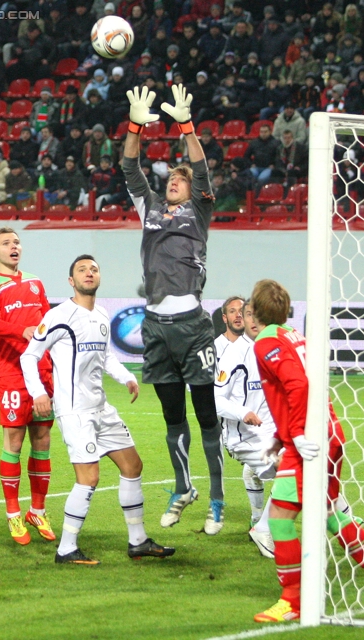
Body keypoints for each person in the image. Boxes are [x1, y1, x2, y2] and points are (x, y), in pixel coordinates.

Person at [20, 254, 175, 564]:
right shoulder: (59, 315)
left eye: (93, 269)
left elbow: (105, 358)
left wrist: (127, 377)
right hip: (75, 411)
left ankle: (138, 541)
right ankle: (66, 549)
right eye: (81, 269)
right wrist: (38, 392)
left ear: (99, 277)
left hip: (102, 408)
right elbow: (29, 356)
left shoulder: (102, 316)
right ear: (71, 281)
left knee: (132, 466)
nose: (88, 273)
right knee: (88, 478)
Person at [123, 84, 224, 533]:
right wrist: (135, 125)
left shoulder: (198, 213)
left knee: (205, 416)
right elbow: (129, 166)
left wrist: (186, 126)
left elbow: (201, 170)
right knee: (171, 416)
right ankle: (184, 488)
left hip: (192, 326)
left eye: (179, 180)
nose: (173, 183)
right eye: (171, 180)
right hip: (155, 328)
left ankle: (217, 498)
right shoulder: (149, 209)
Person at [251, 279, 364, 623]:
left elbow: (297, 384)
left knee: (279, 519)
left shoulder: (266, 341)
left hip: (309, 441)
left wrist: (296, 434)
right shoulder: (295, 336)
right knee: (327, 510)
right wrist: (282, 436)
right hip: (329, 431)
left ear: (254, 313)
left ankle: (292, 600)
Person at [0, 228, 55, 545]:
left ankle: (37, 510)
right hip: (11, 370)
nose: (14, 246)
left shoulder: (35, 281)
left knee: (43, 436)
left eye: (17, 242)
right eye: (7, 243)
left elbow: (50, 317)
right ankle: (13, 515)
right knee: (13, 438)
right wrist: (23, 330)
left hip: (43, 368)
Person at [214, 301, 276, 556]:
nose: (243, 317)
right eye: (238, 313)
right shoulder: (227, 352)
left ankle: (257, 520)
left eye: (248, 313)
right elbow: (212, 397)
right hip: (244, 437)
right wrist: (243, 413)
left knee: (255, 473)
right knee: (296, 474)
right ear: (225, 318)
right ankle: (264, 527)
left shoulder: (262, 350)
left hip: (269, 434)